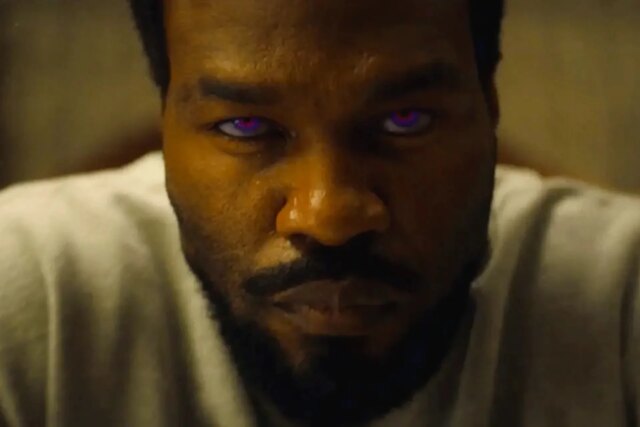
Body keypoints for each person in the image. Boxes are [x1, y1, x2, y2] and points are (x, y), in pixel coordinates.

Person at [0, 0, 638, 425]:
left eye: (405, 120)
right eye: (246, 127)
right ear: (165, 122)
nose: (330, 216)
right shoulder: (29, 293)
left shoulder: (621, 303)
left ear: (489, 107)